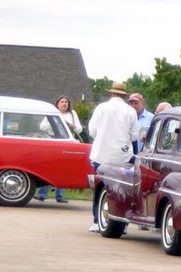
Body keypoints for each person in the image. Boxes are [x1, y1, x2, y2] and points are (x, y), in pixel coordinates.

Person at [87, 82, 140, 230]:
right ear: (124, 95)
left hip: (101, 154)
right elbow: (134, 135)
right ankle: (121, 224)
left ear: (111, 93)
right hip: (121, 156)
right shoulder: (130, 111)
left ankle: (97, 221)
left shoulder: (101, 108)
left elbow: (92, 131)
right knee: (122, 190)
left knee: (100, 188)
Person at [36, 96, 83, 203]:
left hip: (67, 142)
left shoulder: (72, 114)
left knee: (63, 168)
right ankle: (42, 194)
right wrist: (55, 124)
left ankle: (60, 195)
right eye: (62, 102)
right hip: (53, 142)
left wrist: (71, 126)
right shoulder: (53, 113)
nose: (64, 104)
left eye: (66, 102)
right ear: (57, 104)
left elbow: (79, 129)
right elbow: (42, 127)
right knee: (48, 167)